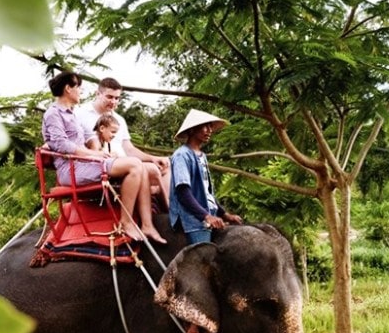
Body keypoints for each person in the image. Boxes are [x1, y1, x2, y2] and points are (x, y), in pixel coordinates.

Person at [41, 71, 166, 244]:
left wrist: (98, 145)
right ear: (68, 89)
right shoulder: (53, 114)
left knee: (139, 165)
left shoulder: (71, 113)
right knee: (134, 165)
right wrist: (96, 154)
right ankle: (126, 222)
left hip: (83, 164)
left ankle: (147, 224)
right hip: (70, 169)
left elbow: (86, 136)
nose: (81, 91)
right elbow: (62, 145)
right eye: (78, 87)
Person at [76, 77, 171, 210]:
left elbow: (129, 149)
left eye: (117, 98)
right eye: (109, 97)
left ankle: (163, 205)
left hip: (126, 162)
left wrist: (153, 158)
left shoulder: (118, 119)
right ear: (98, 94)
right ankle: (166, 206)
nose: (113, 101)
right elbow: (77, 145)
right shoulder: (80, 113)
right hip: (104, 166)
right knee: (152, 170)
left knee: (166, 165)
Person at [168, 108, 242, 246]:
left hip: (208, 213)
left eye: (211, 126)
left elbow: (207, 193)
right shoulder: (181, 155)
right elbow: (183, 192)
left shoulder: (202, 156)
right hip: (193, 219)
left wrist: (224, 214)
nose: (209, 130)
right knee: (204, 260)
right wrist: (206, 216)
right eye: (205, 126)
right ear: (192, 130)